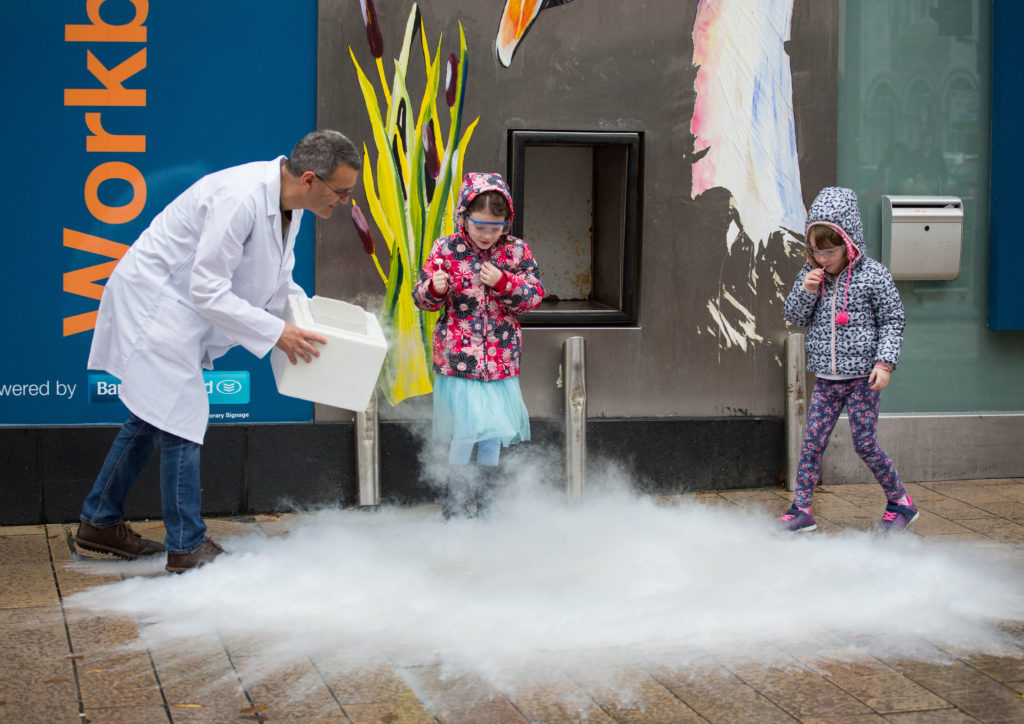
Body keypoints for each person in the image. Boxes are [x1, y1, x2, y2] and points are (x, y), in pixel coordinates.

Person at [74, 130, 361, 572]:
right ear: (309, 179)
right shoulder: (240, 198)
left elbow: (278, 281)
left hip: (182, 310)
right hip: (157, 304)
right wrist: (275, 332)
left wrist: (309, 322)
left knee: (152, 417)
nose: (344, 203)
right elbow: (207, 290)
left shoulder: (291, 205)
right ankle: (187, 546)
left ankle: (98, 521)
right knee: (181, 417)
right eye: (341, 193)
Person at [777, 186, 914, 533]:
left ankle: (901, 502)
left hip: (863, 379)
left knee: (864, 443)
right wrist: (805, 290)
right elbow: (794, 316)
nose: (822, 258)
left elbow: (893, 320)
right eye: (815, 250)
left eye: (830, 250)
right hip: (827, 379)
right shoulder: (811, 277)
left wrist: (884, 364)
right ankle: (802, 509)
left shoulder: (874, 275)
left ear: (848, 242)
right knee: (812, 443)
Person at [411, 172, 545, 518]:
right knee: (465, 432)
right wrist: (436, 288)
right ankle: (454, 502)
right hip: (459, 360)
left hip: (500, 360)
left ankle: (486, 501)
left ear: (506, 222)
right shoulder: (446, 249)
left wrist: (503, 281)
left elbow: (533, 297)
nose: (487, 235)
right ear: (463, 218)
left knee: (492, 434)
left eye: (495, 227)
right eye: (479, 226)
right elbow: (422, 300)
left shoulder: (517, 251)